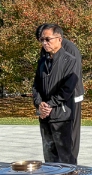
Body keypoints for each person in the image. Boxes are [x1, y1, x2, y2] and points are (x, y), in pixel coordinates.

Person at [32, 23, 82, 164]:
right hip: (45, 115)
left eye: (48, 39)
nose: (44, 43)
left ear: (59, 39)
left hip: (61, 114)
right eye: (42, 40)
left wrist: (50, 104)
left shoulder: (70, 59)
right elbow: (36, 86)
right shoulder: (43, 61)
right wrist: (39, 104)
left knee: (66, 157)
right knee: (49, 156)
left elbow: (68, 88)